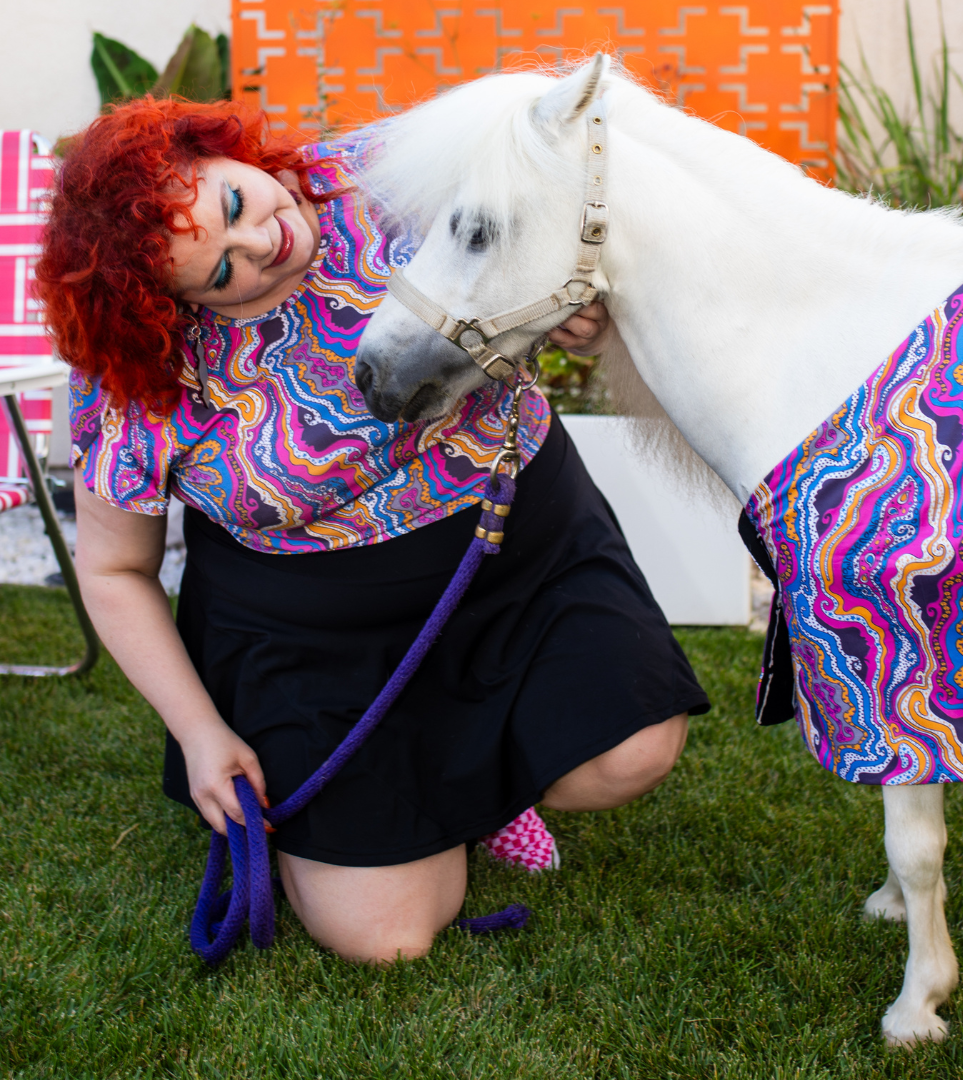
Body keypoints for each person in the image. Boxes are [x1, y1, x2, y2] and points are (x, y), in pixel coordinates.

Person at [38, 97, 710, 964]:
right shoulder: (138, 378)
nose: (261, 246)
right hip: (313, 640)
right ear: (176, 304)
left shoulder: (395, 174)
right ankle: (403, 799)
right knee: (383, 941)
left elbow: (577, 193)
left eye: (235, 207)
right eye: (219, 274)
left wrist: (585, 312)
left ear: (224, 152)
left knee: (631, 754)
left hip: (514, 555)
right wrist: (203, 734)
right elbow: (113, 571)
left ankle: (491, 789)